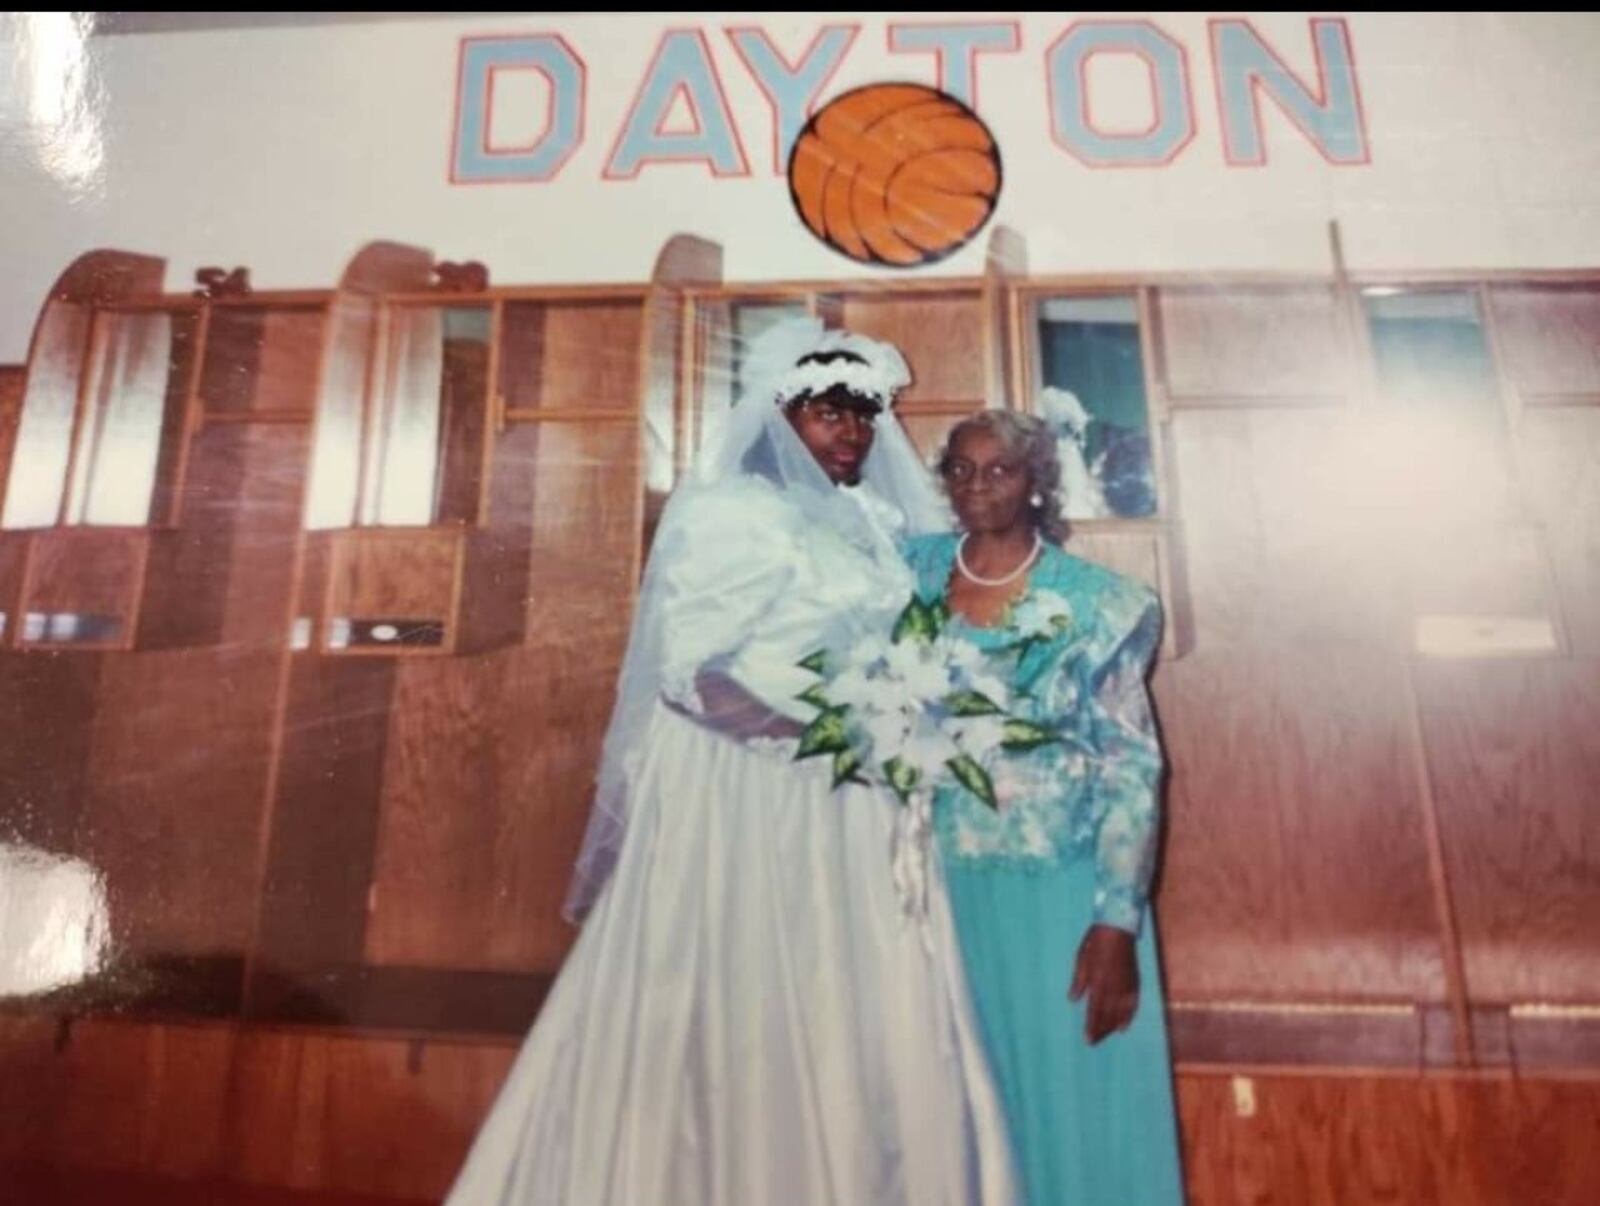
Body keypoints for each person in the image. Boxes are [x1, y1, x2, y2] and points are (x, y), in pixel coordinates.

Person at [446, 319, 1018, 1205]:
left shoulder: (861, 514)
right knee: (732, 992)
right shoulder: (730, 512)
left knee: (853, 1001)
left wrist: (894, 727)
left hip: (843, 789)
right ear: (776, 415)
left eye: (864, 419)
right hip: (744, 786)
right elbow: (689, 677)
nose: (854, 435)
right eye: (831, 415)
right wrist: (826, 743)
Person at [902, 410, 1185, 1205]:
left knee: (1075, 1103)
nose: (978, 486)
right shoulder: (904, 575)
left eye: (1000, 470)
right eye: (960, 470)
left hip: (1059, 892)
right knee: (956, 1105)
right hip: (933, 887)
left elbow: (1133, 766)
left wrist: (1116, 921)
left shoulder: (1104, 604)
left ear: (1038, 483)